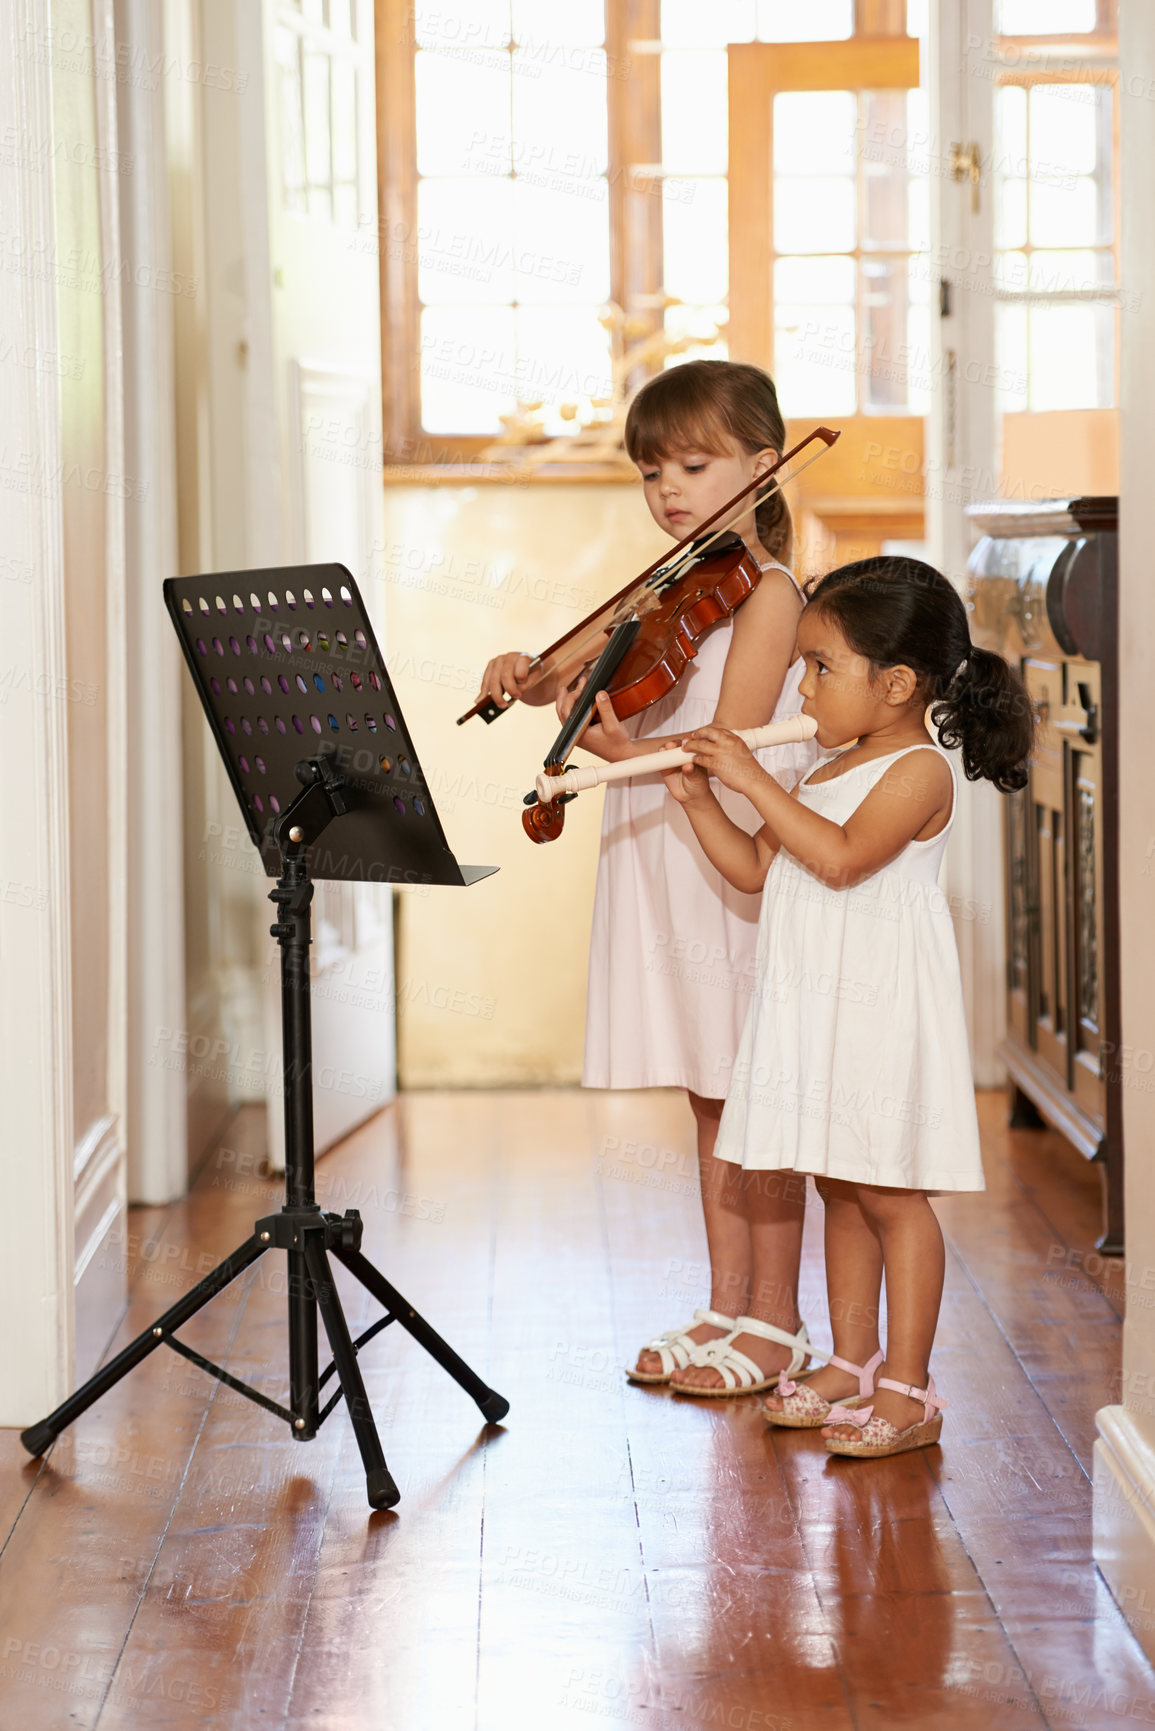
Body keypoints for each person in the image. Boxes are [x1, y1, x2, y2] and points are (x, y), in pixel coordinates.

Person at [473, 360, 820, 1394]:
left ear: (762, 468)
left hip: (727, 847)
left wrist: (623, 758)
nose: (666, 489)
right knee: (708, 1094)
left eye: (693, 465)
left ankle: (780, 1324)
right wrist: (519, 671)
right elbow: (554, 682)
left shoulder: (767, 594)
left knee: (754, 1091)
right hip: (665, 850)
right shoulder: (664, 591)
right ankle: (726, 1307)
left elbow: (730, 745)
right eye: (650, 471)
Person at [664, 556, 1032, 1454]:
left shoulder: (915, 772)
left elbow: (837, 859)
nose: (802, 683)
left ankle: (908, 1386)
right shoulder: (828, 767)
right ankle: (851, 1359)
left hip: (878, 1014)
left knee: (891, 1193)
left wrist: (751, 777)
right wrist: (697, 796)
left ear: (896, 684)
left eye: (820, 664)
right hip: (817, 1010)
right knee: (838, 1181)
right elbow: (759, 869)